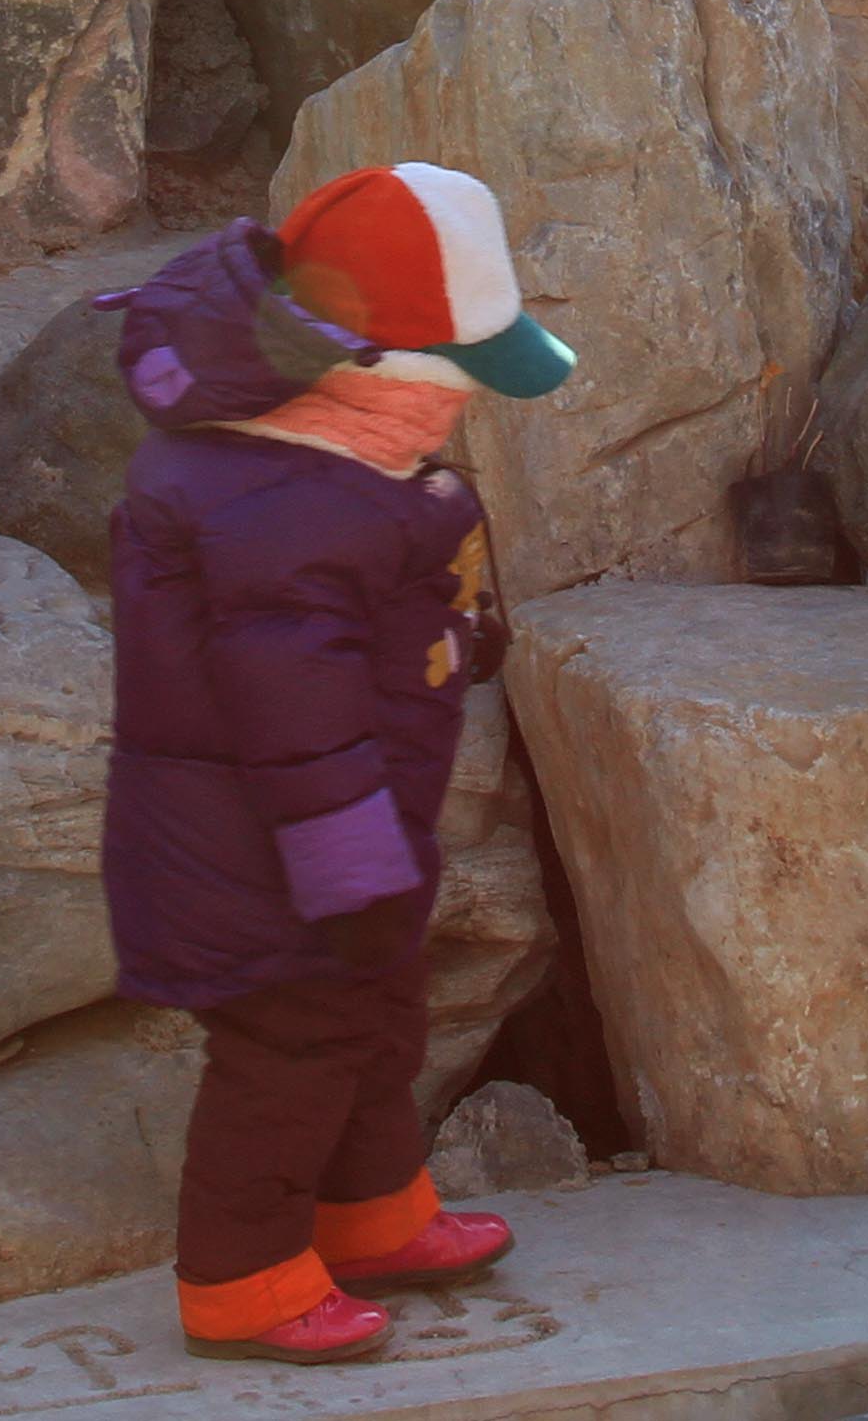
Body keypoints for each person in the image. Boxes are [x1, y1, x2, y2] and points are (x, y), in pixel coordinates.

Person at [94, 160, 577, 1366]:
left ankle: (370, 1214)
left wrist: (448, 625)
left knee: (372, 1018)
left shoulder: (329, 475)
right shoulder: (274, 507)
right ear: (364, 376)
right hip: (268, 855)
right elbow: (290, 715)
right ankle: (240, 1278)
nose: (462, 410)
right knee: (289, 1049)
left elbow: (360, 642)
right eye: (454, 383)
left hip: (339, 839)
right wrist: (352, 872)